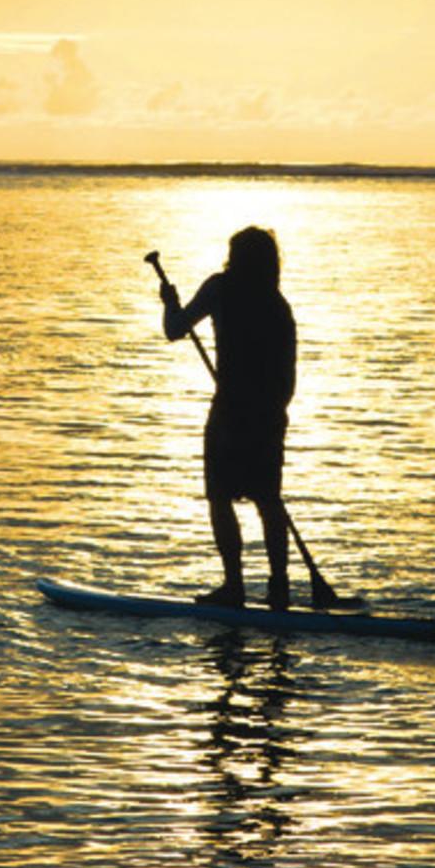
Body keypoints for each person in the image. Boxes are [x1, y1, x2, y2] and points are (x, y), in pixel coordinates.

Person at [161, 226, 298, 608]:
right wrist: (274, 415)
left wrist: (169, 304)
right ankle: (279, 588)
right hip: (268, 418)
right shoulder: (279, 306)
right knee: (269, 500)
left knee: (220, 497)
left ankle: (235, 587)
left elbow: (175, 329)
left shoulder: (220, 288)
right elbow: (289, 378)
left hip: (229, 416)